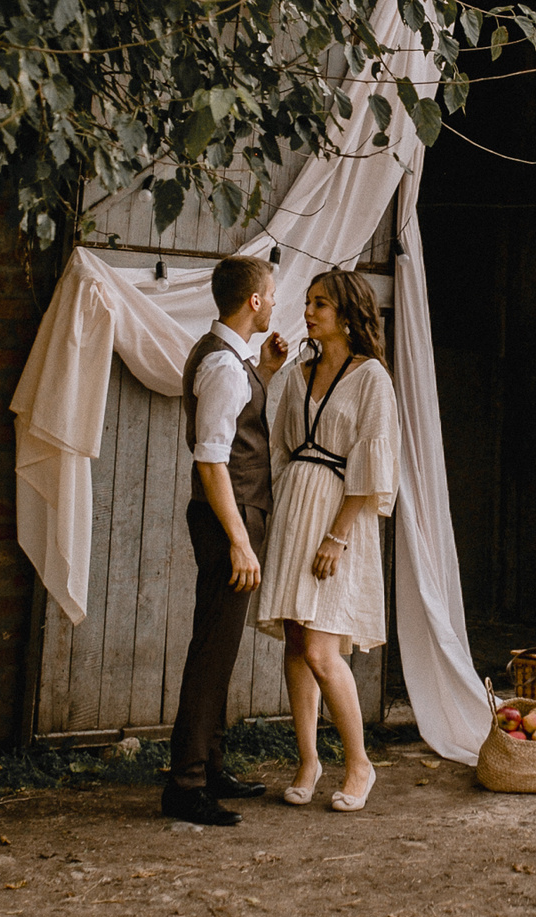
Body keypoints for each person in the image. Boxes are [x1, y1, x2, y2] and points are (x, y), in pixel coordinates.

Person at [253, 269, 399, 812]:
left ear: (347, 313)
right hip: (297, 503)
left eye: (320, 304)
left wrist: (338, 535)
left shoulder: (370, 379)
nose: (309, 312)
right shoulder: (298, 372)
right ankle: (309, 759)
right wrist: (268, 372)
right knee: (296, 639)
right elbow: (277, 442)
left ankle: (360, 763)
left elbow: (373, 461)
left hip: (341, 513)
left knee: (321, 647)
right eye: (309, 302)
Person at [161, 254, 291, 827]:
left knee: (221, 645)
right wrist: (239, 541)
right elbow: (212, 461)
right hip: (226, 520)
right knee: (211, 650)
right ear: (254, 302)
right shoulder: (220, 366)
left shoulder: (236, 362)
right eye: (273, 294)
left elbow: (235, 419)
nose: (276, 303)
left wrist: (264, 370)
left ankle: (209, 766)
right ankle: (185, 784)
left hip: (234, 517)